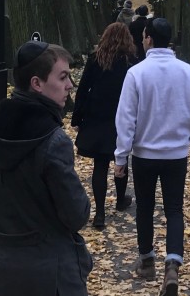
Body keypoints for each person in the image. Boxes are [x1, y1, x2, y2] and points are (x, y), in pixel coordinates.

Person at [0, 40, 92, 296]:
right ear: (37, 84)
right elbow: (76, 215)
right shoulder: (53, 141)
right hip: (54, 277)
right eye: (63, 77)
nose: (70, 85)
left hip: (2, 275)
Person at [114, 18, 190, 296]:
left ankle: (146, 261)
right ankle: (172, 265)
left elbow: (126, 119)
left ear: (148, 39)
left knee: (144, 207)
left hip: (144, 154)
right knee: (174, 209)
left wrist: (121, 157)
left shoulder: (136, 74)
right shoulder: (187, 71)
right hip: (176, 154)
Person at [71, 23, 136, 229]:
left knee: (100, 164)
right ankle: (119, 200)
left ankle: (100, 213)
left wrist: (77, 117)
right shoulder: (130, 62)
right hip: (121, 114)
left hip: (96, 114)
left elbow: (83, 89)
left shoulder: (95, 58)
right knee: (121, 158)